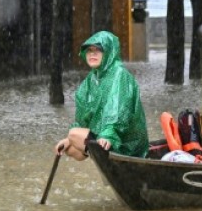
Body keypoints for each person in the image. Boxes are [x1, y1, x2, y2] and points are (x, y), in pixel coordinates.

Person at [55, 31, 149, 160]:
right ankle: (103, 155)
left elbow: (119, 110)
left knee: (74, 134)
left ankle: (109, 153)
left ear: (109, 52)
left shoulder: (119, 74)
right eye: (89, 50)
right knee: (71, 149)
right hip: (104, 135)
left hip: (126, 142)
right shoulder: (91, 79)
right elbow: (84, 116)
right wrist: (68, 140)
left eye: (98, 50)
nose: (92, 54)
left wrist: (109, 134)